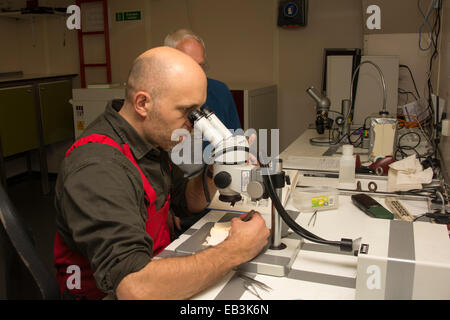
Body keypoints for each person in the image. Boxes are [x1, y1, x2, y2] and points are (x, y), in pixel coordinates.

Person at [53, 46, 269, 300]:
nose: (193, 123)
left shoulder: (150, 141)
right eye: (186, 111)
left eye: (198, 112)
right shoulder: (98, 167)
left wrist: (216, 168)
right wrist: (235, 250)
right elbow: (134, 287)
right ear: (143, 103)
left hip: (157, 269)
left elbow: (186, 201)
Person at [164, 29, 241, 131]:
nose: (197, 73)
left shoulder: (219, 91)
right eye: (189, 64)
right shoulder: (157, 97)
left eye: (200, 65)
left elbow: (235, 136)